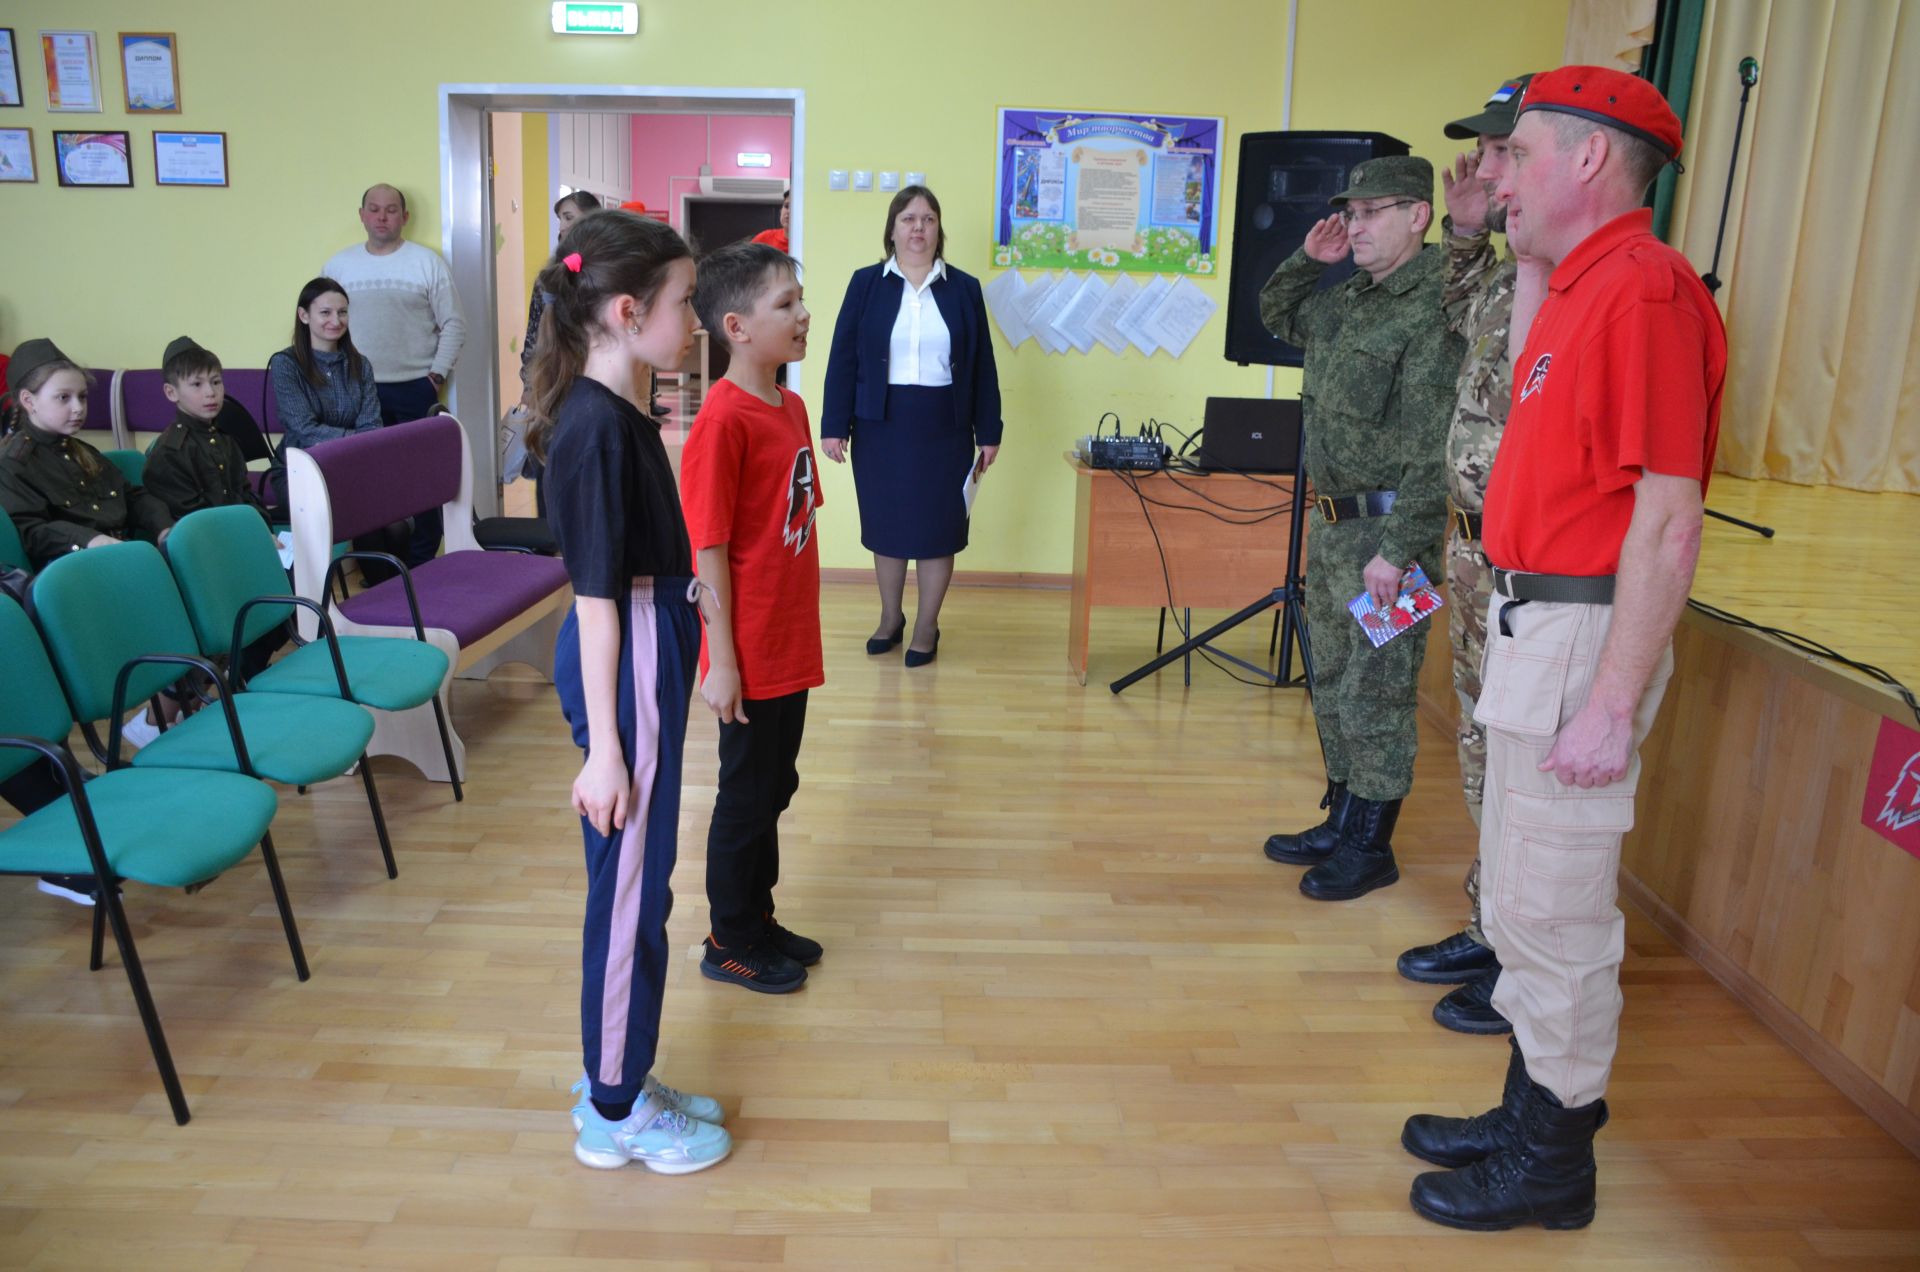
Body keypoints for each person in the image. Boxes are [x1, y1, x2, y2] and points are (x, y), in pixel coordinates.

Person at [1402, 67, 1724, 1232]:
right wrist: (1529, 252)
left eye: (1519, 151)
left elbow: (1670, 512)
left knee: (1560, 912)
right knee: (1528, 902)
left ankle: (1553, 1165)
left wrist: (1611, 697)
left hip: (1586, 630)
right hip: (1535, 615)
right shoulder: (1579, 283)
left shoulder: (1642, 292)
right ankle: (1523, 1111)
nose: (1493, 170)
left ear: (1590, 160)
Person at [529, 208, 731, 1175]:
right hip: (634, 656)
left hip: (648, 645)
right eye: (684, 302)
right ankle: (613, 1108)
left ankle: (621, 1068)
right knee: (630, 894)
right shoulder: (595, 431)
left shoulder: (612, 413)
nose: (694, 320)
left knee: (636, 887)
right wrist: (608, 750)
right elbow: (599, 603)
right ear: (623, 310)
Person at [1256, 158, 1464, 901]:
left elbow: (1434, 445)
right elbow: (1278, 316)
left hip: (1385, 540)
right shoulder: (1348, 302)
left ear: (1418, 215)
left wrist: (1399, 550)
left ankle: (1371, 847)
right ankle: (1342, 819)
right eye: (1353, 211)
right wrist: (1307, 261)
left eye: (1375, 211)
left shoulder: (1434, 305)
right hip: (1335, 531)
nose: (1358, 225)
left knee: (1376, 695)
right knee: (1336, 686)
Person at [1394, 74, 1538, 1037]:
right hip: (1473, 554)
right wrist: (1465, 233)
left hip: (1538, 573)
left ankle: (1521, 957)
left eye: (1496, 151)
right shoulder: (1502, 273)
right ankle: (1491, 927)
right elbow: (1462, 319)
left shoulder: (1579, 280)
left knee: (1522, 771)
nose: (1479, 167)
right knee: (1483, 752)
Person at [682, 242, 825, 995]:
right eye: (785, 305)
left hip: (789, 637)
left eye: (800, 301)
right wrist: (724, 659)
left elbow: (790, 525)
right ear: (736, 326)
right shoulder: (722, 422)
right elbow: (708, 551)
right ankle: (728, 938)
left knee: (776, 784)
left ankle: (758, 917)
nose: (803, 315)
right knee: (745, 796)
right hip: (749, 648)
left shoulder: (791, 406)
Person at [820, 185, 1002, 667]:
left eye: (928, 219)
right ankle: (889, 618)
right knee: (888, 526)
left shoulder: (964, 288)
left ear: (939, 229)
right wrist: (834, 424)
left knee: (940, 529)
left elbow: (982, 364)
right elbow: (843, 357)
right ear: (892, 228)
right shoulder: (866, 284)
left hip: (946, 425)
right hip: (880, 424)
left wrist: (990, 430)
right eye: (908, 218)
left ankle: (926, 625)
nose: (918, 227)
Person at [323, 183, 467, 563]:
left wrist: (434, 376)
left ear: (405, 217)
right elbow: (323, 325)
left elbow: (454, 323)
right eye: (374, 209)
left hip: (415, 389)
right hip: (356, 392)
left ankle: (421, 565)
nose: (382, 217)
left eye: (390, 210)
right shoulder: (339, 266)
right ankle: (377, 569)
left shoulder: (426, 262)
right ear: (362, 214)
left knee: (422, 483)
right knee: (365, 482)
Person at [269, 278, 409, 580]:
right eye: (325, 313)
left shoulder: (361, 365)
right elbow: (305, 430)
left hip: (353, 467)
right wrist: (358, 442)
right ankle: (376, 595)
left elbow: (373, 427)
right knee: (364, 516)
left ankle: (384, 594)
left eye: (342, 312)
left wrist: (357, 447)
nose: (336, 321)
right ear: (304, 315)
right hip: (300, 471)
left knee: (399, 523)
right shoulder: (285, 364)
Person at [0, 339, 174, 570]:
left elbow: (132, 497)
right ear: (28, 401)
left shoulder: (83, 452)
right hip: (75, 572)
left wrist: (164, 526)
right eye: (64, 397)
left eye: (82, 396)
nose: (78, 408)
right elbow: (32, 531)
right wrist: (89, 540)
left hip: (122, 557)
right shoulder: (14, 464)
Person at [142, 336, 271, 524]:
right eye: (197, 384)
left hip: (239, 532)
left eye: (216, 382)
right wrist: (250, 534)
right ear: (171, 392)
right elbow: (196, 522)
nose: (210, 392)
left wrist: (263, 528)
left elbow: (245, 496)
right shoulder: (169, 453)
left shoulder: (225, 439)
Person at [520, 191, 604, 400]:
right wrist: (529, 385)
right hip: (554, 383)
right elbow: (533, 335)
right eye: (560, 219)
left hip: (598, 383)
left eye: (568, 217)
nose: (562, 226)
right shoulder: (549, 276)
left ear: (590, 220)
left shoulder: (606, 274)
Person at [749, 188, 790, 255]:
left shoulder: (810, 243)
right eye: (786, 206)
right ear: (780, 210)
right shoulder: (765, 238)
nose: (788, 212)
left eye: (795, 208)